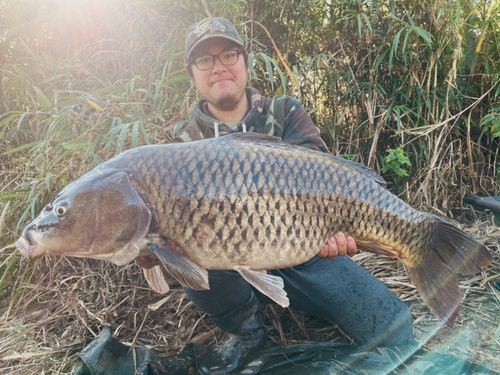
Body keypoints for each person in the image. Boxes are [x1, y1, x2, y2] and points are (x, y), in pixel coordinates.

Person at [167, 17, 413, 375]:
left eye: (228, 54)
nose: (218, 66)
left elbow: (328, 185)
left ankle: (420, 244)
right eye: (204, 60)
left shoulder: (285, 112)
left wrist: (338, 232)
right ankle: (247, 332)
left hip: (301, 252)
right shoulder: (185, 144)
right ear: (192, 74)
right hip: (227, 268)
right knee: (187, 249)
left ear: (246, 62)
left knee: (395, 329)